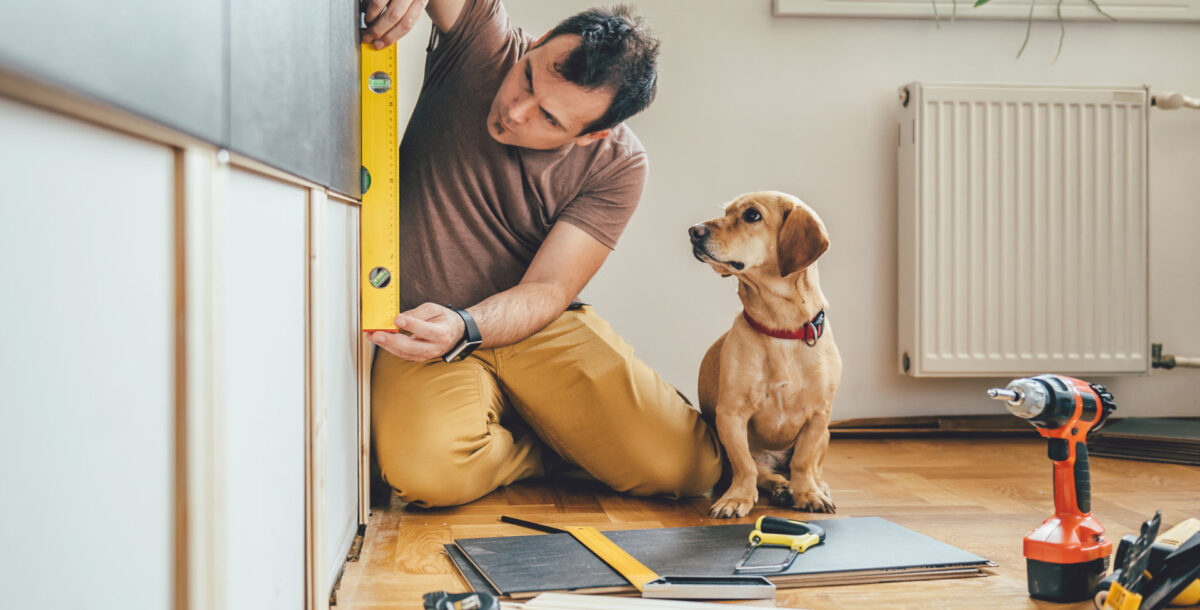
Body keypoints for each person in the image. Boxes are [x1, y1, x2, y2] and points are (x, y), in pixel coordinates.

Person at [362, 0, 723, 508]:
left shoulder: (618, 165)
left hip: (535, 322)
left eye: (549, 118)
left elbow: (549, 288)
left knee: (691, 467)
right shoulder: (483, 44)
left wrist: (469, 324)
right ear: (540, 40)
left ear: (593, 133)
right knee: (427, 476)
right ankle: (547, 449)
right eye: (528, 78)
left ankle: (551, 428)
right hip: (424, 325)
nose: (515, 110)